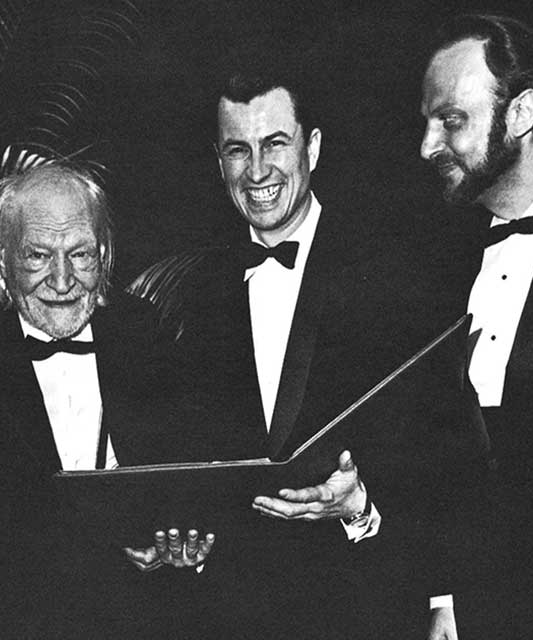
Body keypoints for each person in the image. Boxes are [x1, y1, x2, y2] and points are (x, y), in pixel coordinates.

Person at [134, 53, 487, 638]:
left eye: (275, 143)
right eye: (237, 150)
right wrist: (183, 546)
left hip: (370, 606)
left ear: (313, 148)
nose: (257, 170)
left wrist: (437, 594)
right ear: (217, 162)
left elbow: (450, 458)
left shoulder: (395, 277)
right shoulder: (190, 301)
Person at [0, 162, 210, 638]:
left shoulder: (143, 333)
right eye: (37, 256)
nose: (61, 280)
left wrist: (173, 538)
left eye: (80, 255)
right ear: (0, 256)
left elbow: (184, 476)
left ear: (104, 253)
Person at [418, 12, 533, 640]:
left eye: (452, 120)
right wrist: (443, 599)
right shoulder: (435, 260)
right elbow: (439, 454)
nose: (427, 145)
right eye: (427, 121)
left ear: (520, 114)